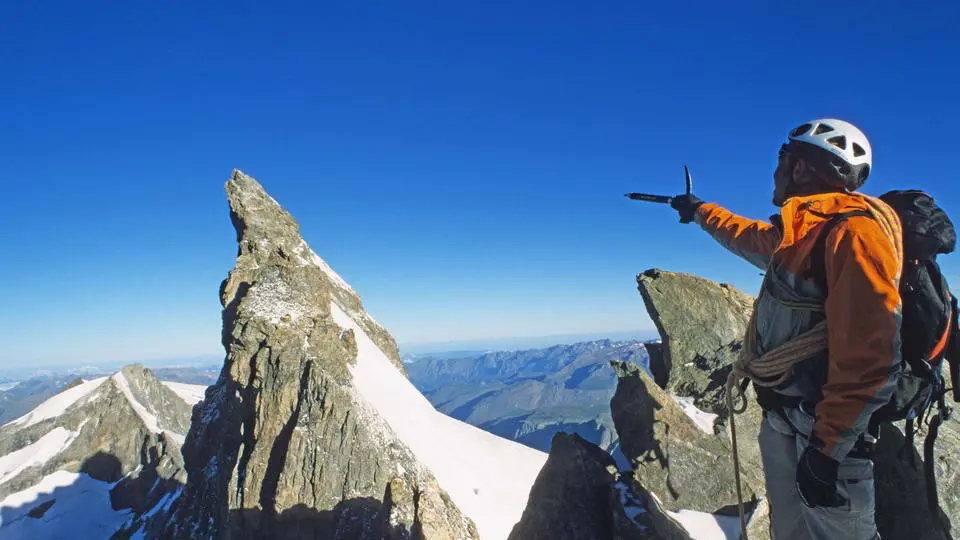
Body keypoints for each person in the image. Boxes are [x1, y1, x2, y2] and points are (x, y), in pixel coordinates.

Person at [670, 119, 902, 540]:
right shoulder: (800, 235)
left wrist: (828, 451)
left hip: (826, 437)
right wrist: (700, 210)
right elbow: (747, 235)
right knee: (788, 530)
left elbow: (872, 354)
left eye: (781, 157)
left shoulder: (855, 232)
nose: (774, 171)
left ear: (800, 168)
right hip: (785, 417)